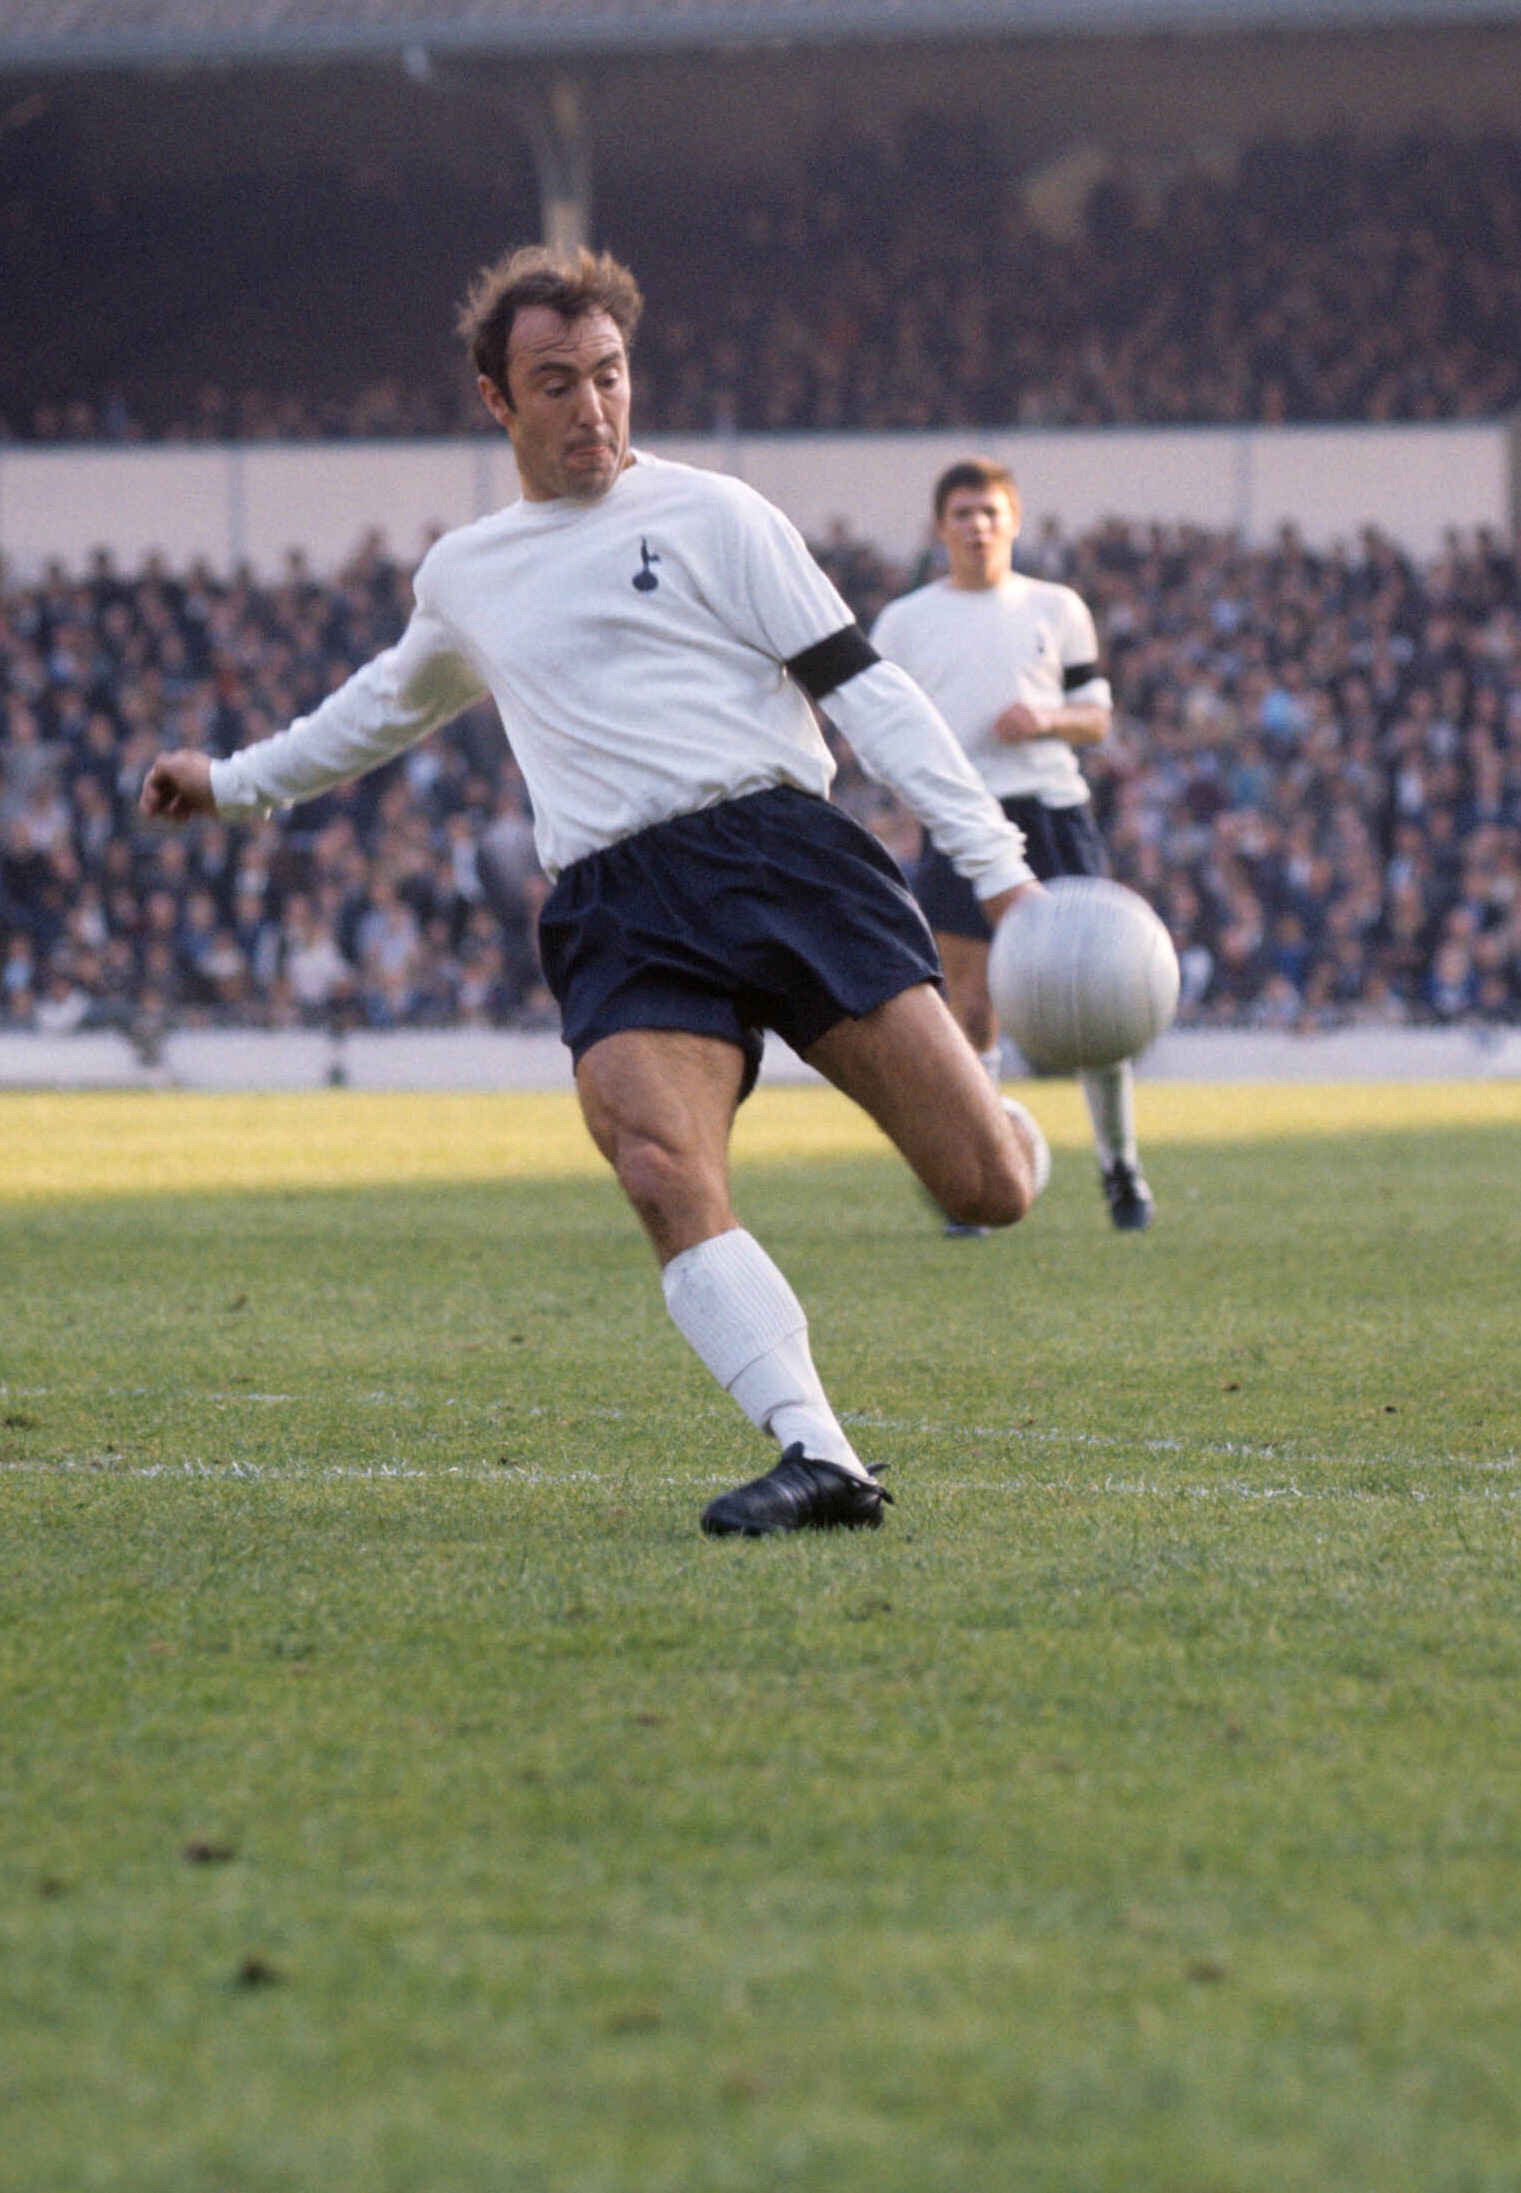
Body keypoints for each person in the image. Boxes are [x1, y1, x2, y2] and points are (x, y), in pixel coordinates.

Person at [141, 247, 1042, 1539]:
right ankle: (820, 1453)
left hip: (786, 856)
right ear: (496, 403)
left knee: (984, 1190)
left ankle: (1015, 1137)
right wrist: (227, 785)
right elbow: (377, 712)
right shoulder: (468, 573)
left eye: (609, 376)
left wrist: (999, 872)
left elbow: (864, 689)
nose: (592, 409)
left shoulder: (719, 516)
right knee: (656, 1158)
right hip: (621, 901)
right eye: (555, 383)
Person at [870, 459, 1156, 1230]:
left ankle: (1120, 1170)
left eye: (990, 512)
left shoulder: (1056, 607)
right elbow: (873, 727)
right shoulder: (903, 623)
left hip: (1052, 813)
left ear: (1015, 521)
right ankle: (983, 1181)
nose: (977, 526)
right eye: (962, 513)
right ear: (940, 527)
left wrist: (1045, 719)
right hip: (960, 818)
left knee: (1097, 999)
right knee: (970, 1008)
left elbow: (1095, 717)